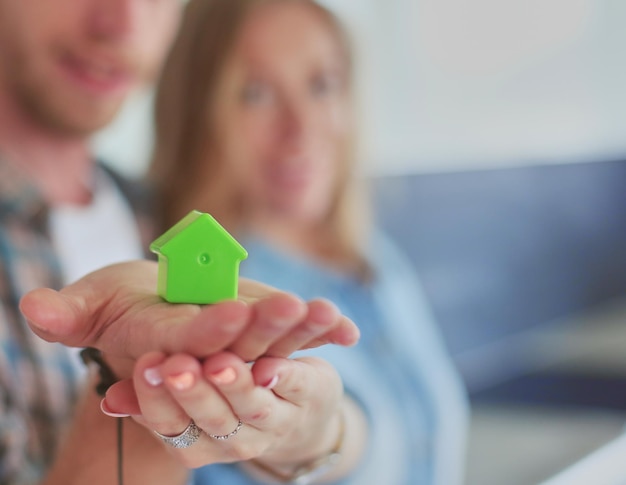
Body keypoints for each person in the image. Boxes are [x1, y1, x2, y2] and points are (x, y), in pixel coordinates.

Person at [0, 0, 359, 483]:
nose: (122, 23)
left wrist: (315, 435)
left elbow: (347, 426)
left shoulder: (175, 215)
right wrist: (122, 373)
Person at [145, 0, 470, 484]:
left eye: (321, 85)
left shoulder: (376, 260)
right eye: (255, 93)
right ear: (197, 109)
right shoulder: (199, 296)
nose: (300, 128)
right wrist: (321, 441)